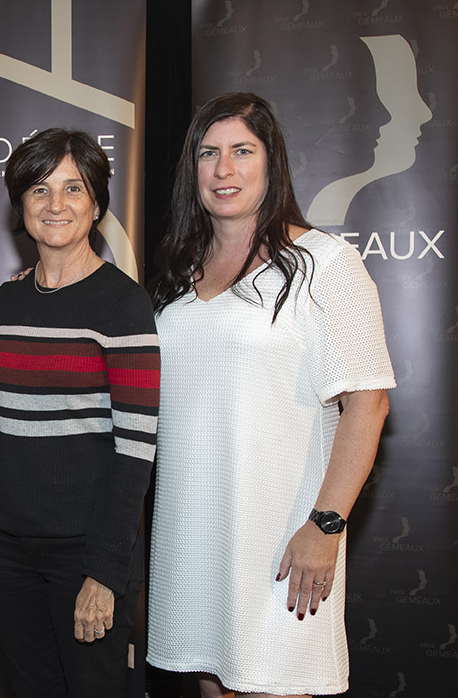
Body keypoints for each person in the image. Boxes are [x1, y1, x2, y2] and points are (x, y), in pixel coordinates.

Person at [146, 92, 393, 698]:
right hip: (193, 529)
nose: (223, 169)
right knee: (213, 683)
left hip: (283, 534)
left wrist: (325, 525)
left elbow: (368, 403)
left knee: (272, 683)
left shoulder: (324, 263)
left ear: (271, 161)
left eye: (242, 151)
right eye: (208, 154)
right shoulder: (177, 270)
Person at [0, 128, 161, 697]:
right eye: (40, 189)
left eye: (74, 188)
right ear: (20, 203)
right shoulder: (6, 301)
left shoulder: (124, 304)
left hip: (85, 552)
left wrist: (105, 571)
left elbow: (136, 452)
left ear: (96, 204)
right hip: (7, 549)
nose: (56, 204)